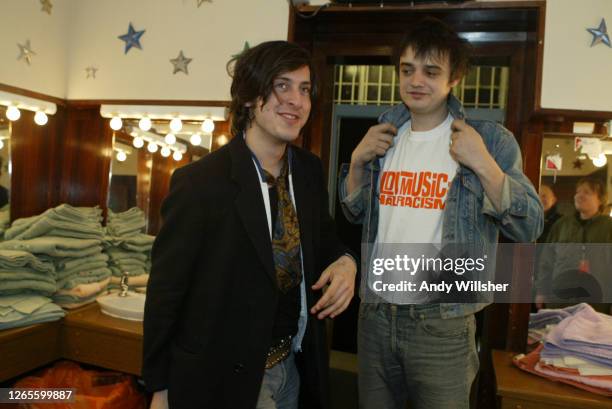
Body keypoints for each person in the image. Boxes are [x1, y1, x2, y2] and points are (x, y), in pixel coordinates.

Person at [338, 18, 543, 409]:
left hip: (442, 323)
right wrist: (358, 163)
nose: (417, 80)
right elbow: (356, 215)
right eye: (407, 69)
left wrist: (484, 165)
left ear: (455, 78)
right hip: (376, 316)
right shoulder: (385, 133)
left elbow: (529, 225)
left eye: (431, 72)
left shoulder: (490, 141)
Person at [143, 41, 357, 409]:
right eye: (282, 85)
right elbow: (166, 295)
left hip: (296, 366)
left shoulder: (308, 170)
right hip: (226, 377)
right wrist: (160, 386)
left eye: (304, 89)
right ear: (248, 97)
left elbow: (325, 240)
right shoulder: (199, 183)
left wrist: (347, 262)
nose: (296, 100)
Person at [535, 178, 612, 310]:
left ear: (600, 200)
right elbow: (546, 261)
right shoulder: (561, 225)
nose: (579, 195)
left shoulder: (609, 226)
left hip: (597, 303)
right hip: (560, 300)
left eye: (587, 192)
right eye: (578, 192)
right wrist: (541, 291)